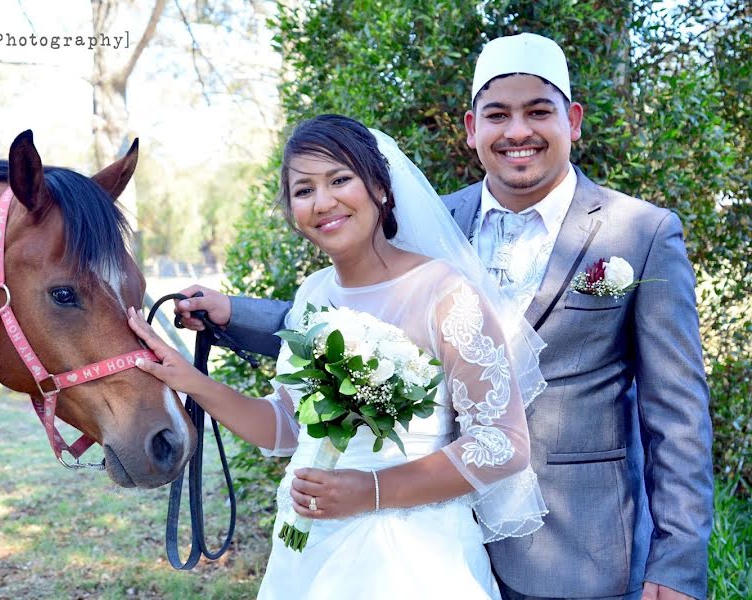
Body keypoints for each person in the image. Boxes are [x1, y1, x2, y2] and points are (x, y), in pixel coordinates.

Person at [173, 34, 713, 600]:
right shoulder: (430, 220)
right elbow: (363, 321)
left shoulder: (641, 233)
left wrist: (676, 565)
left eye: (538, 112)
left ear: (572, 121)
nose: (517, 132)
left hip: (579, 547)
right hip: (430, 538)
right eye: (497, 115)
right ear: (470, 128)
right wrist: (232, 313)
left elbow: (677, 413)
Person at [129, 114, 549, 599]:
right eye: (303, 190)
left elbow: (502, 443)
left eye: (340, 179)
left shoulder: (445, 293)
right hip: (307, 549)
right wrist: (191, 382)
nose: (322, 202)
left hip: (412, 556)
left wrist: (371, 491)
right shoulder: (313, 294)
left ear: (381, 188)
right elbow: (286, 428)